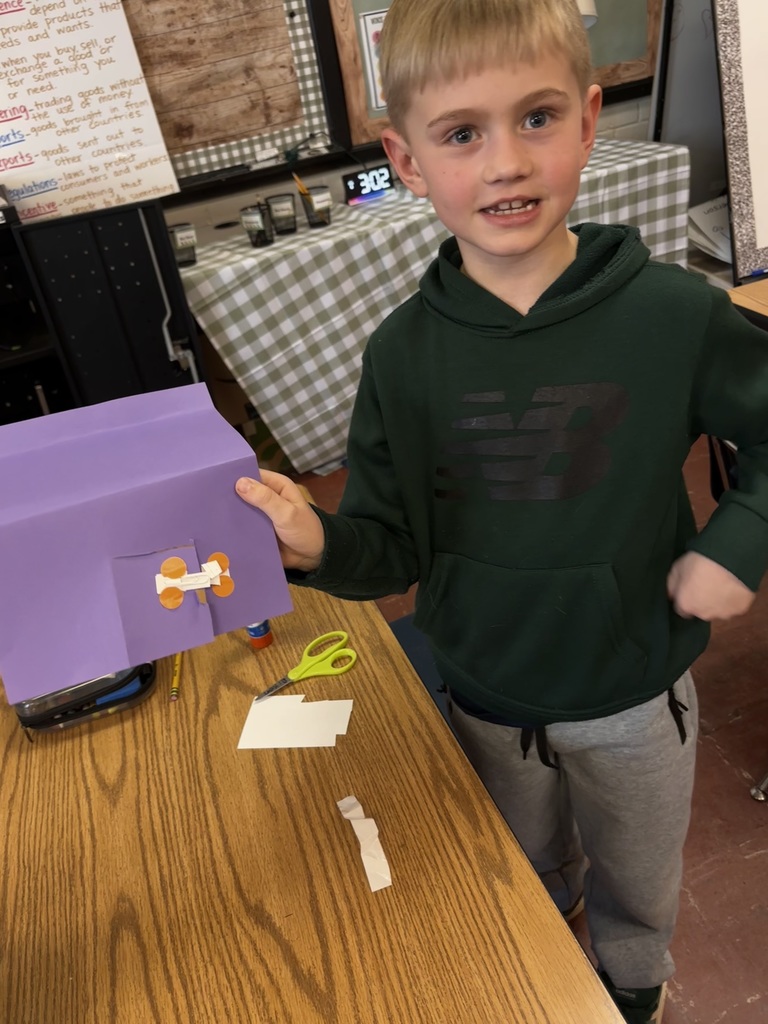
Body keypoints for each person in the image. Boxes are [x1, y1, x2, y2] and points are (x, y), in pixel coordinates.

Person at [235, 1, 768, 1020]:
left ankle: (632, 980)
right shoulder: (402, 355)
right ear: (406, 159)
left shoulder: (675, 314)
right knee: (522, 860)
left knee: (638, 876)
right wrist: (317, 542)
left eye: (536, 118)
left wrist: (738, 538)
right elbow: (387, 545)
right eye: (462, 133)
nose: (506, 162)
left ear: (586, 122)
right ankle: (549, 930)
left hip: (630, 688)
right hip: (482, 691)